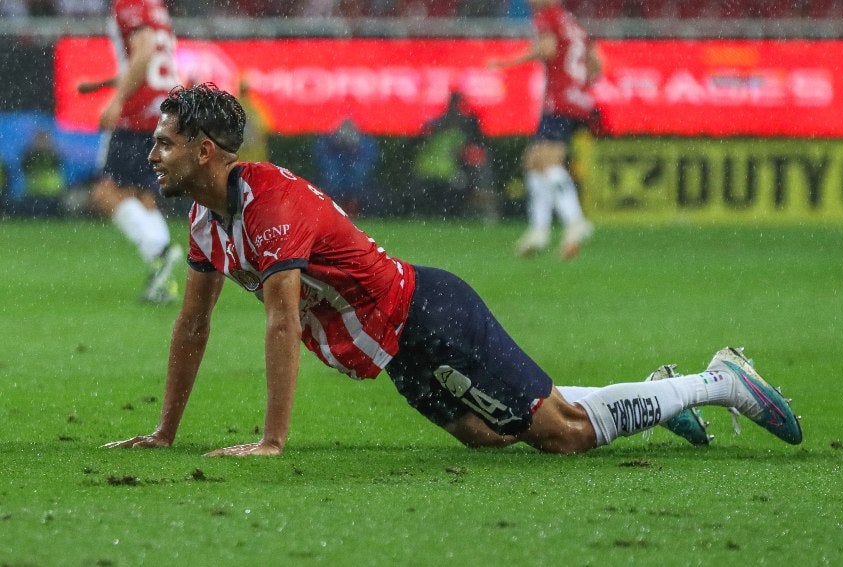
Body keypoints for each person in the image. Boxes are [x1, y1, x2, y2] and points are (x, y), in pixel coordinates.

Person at [104, 84, 802, 457]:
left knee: (561, 435)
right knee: (490, 434)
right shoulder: (205, 218)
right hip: (398, 347)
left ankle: (719, 381)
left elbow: (282, 319)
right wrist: (165, 431)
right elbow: (192, 324)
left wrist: (272, 441)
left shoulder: (270, 204)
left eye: (164, 142)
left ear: (203, 150)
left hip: (429, 316)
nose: (152, 153)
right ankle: (657, 391)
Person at [78, 0, 182, 303]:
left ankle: (159, 250)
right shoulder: (156, 7)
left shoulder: (130, 4)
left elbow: (145, 53)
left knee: (104, 193)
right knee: (142, 196)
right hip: (163, 111)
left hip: (138, 115)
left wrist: (117, 100)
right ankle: (162, 281)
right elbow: (151, 63)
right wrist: (101, 85)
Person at [491, 0, 599, 259]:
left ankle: (575, 222)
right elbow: (595, 64)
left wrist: (508, 62)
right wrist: (579, 87)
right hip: (573, 100)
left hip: (560, 101)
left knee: (548, 162)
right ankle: (539, 231)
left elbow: (548, 49)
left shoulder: (548, 18)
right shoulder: (572, 22)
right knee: (533, 162)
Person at [410, 91, 498, 220]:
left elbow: (468, 152)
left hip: (450, 171)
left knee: (471, 183)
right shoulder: (438, 128)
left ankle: (464, 214)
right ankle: (444, 214)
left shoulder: (459, 129)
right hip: (435, 171)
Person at [312, 118, 379, 218]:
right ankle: (336, 213)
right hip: (338, 170)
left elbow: (369, 155)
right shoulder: (327, 142)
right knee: (334, 179)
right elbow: (321, 154)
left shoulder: (364, 143)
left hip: (350, 170)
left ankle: (348, 213)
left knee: (353, 179)